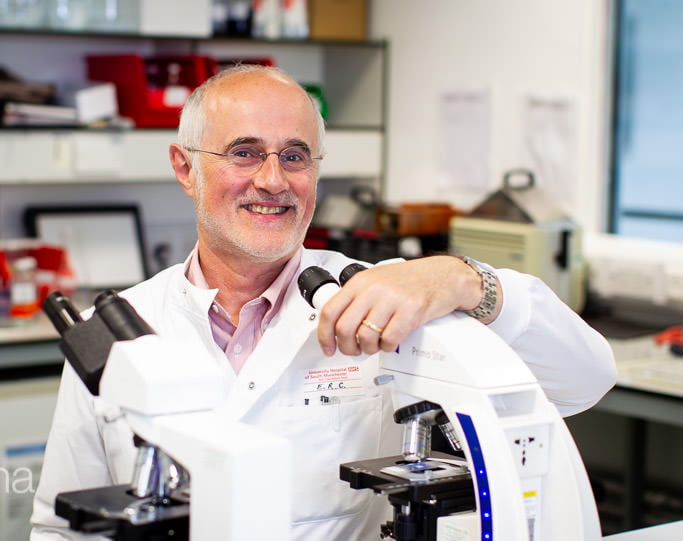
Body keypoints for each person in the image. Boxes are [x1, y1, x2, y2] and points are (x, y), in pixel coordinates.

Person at [30, 65, 616, 540]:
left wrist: (461, 279)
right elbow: (60, 526)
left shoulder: (386, 296)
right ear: (186, 168)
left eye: (294, 156)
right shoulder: (110, 332)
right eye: (244, 152)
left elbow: (584, 378)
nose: (273, 180)